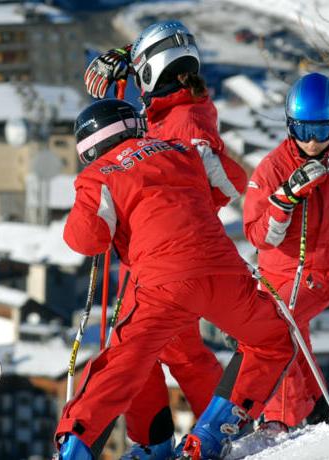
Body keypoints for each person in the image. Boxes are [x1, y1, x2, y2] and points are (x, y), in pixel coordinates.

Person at [54, 98, 295, 460]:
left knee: (124, 364)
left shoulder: (98, 174)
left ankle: (76, 446)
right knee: (273, 341)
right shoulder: (182, 149)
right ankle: (211, 435)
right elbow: (232, 181)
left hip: (161, 284)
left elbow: (86, 240)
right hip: (223, 273)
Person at [83, 20, 247, 458]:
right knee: (170, 352)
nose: (138, 86)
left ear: (152, 75)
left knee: (141, 354)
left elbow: (221, 183)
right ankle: (175, 439)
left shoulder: (184, 125)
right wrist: (131, 53)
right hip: (161, 254)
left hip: (166, 260)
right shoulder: (180, 110)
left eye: (141, 76)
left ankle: (170, 443)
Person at [243, 72, 329, 432]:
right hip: (279, 273)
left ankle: (282, 420)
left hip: (326, 270)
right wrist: (284, 200)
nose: (313, 142)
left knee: (277, 327)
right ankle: (317, 408)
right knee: (288, 329)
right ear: (291, 126)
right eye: (304, 131)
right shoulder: (273, 169)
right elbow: (260, 237)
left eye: (322, 131)